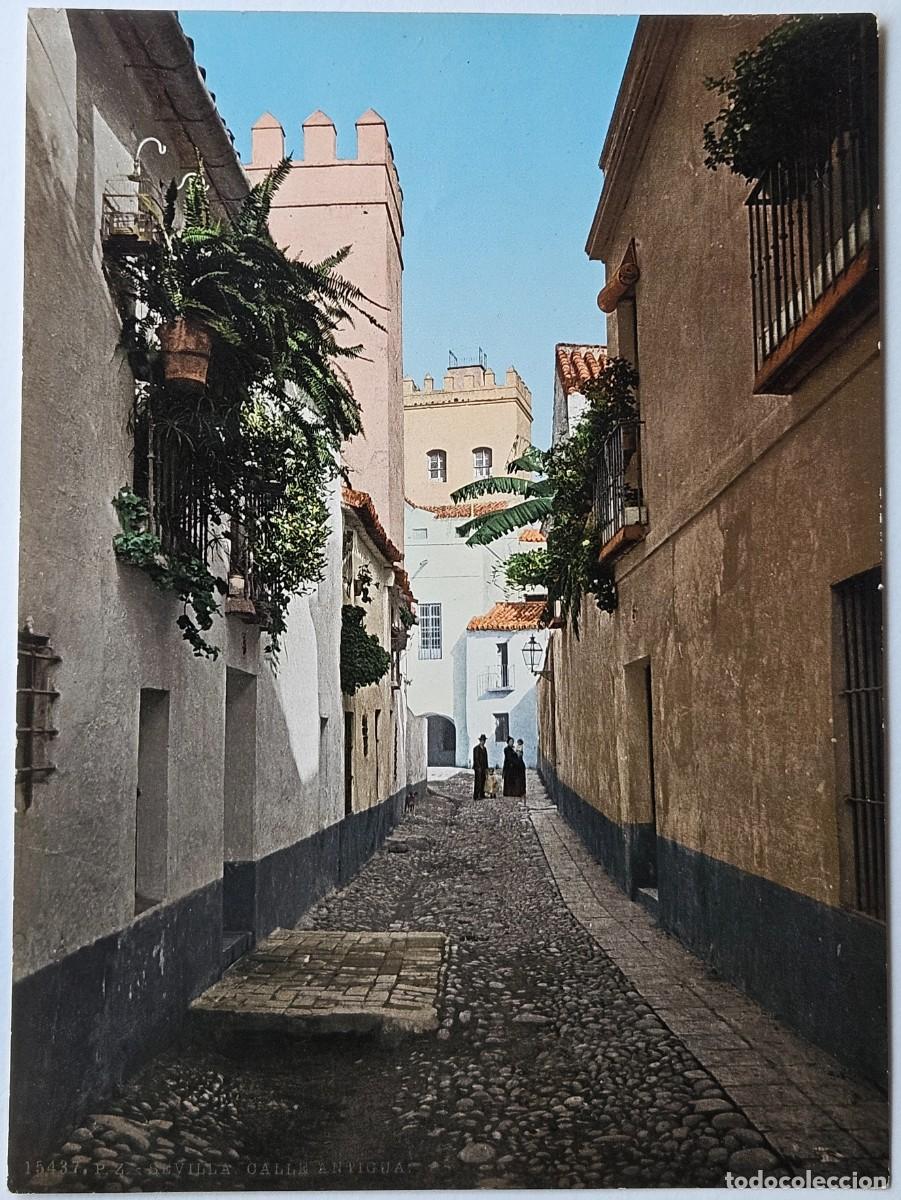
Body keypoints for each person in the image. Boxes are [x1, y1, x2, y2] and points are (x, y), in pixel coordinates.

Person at [472, 734, 489, 799]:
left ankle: (482, 794)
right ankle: (476, 795)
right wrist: (478, 767)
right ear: (480, 741)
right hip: (478, 768)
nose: (483, 742)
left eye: (484, 740)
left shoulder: (484, 749)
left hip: (483, 767)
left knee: (483, 781)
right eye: (482, 740)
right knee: (478, 781)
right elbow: (476, 759)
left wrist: (486, 768)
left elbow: (486, 759)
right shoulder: (476, 749)